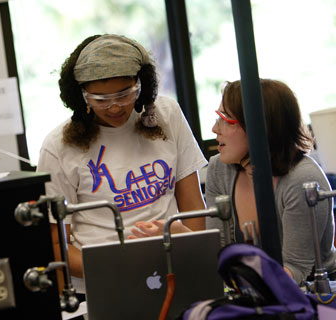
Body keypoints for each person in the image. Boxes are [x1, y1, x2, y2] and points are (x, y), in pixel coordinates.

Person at [37, 34, 208, 282]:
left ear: (141, 85)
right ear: (81, 95)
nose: (115, 107)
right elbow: (56, 243)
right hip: (105, 282)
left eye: (125, 94)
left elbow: (193, 208)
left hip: (173, 269)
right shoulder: (59, 147)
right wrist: (119, 269)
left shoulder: (166, 114)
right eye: (101, 100)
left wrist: (187, 255)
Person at [204, 79, 336, 285]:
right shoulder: (219, 169)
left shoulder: (302, 179)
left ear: (259, 125)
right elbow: (218, 254)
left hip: (314, 296)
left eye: (224, 119)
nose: (214, 129)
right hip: (254, 291)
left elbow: (296, 270)